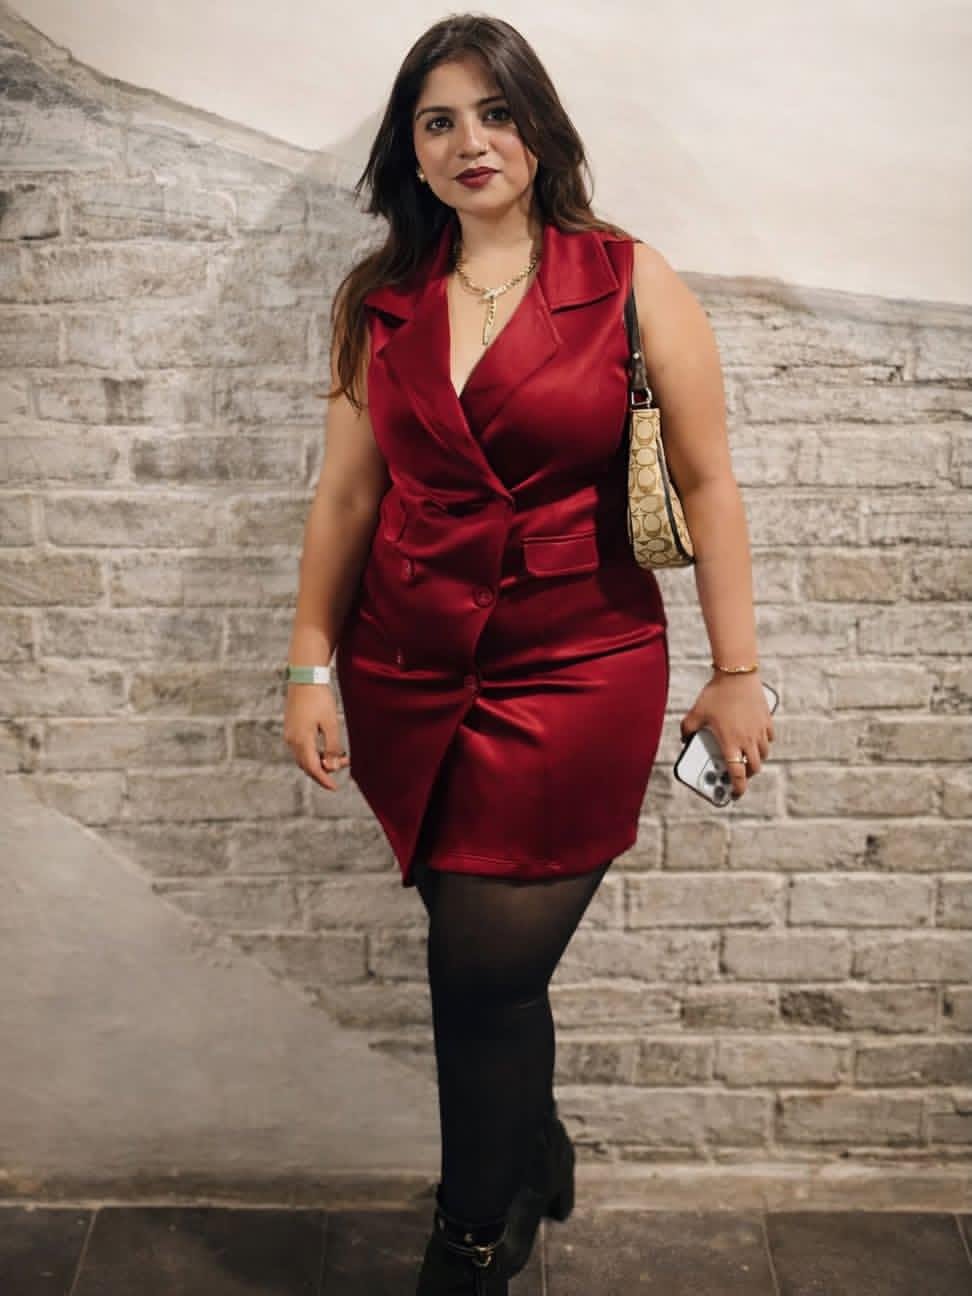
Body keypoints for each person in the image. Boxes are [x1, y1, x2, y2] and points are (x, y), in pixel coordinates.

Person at [283, 14, 774, 1294]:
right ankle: (534, 1149)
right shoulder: (380, 302)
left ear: (539, 128)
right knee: (487, 972)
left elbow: (709, 482)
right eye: (439, 121)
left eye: (495, 113)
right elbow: (347, 498)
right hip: (410, 671)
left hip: (576, 667)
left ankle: (467, 1242)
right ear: (412, 153)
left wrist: (735, 672)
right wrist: (309, 664)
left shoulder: (626, 278)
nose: (472, 141)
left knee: (480, 977)